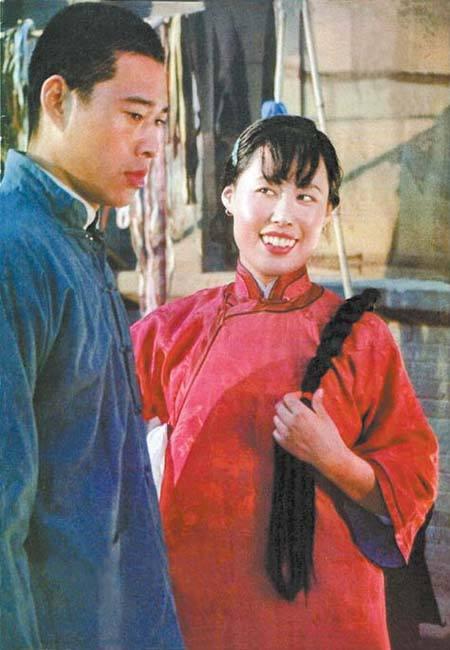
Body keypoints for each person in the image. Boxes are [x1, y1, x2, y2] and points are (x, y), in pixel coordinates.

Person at [131, 115, 438, 650]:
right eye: (267, 190)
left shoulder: (363, 338)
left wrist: (332, 457)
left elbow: (413, 486)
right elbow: (86, 431)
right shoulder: (169, 331)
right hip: (200, 608)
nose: (284, 214)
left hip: (331, 618)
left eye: (305, 196)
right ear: (229, 196)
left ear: (329, 213)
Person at [0, 3, 184, 649]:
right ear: (57, 99)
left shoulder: (78, 236)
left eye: (159, 121)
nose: (151, 143)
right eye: (133, 115)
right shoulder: (15, 251)